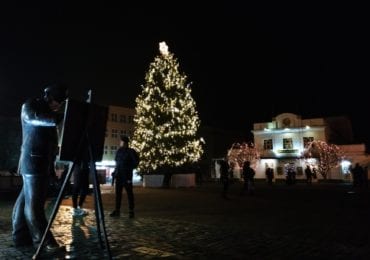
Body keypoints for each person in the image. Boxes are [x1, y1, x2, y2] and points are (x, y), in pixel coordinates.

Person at [12, 83, 68, 253]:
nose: (58, 105)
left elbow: (50, 144)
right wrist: (59, 116)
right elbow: (35, 118)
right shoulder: (31, 105)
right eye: (57, 101)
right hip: (33, 162)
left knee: (25, 201)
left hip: (40, 163)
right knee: (34, 205)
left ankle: (20, 237)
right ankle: (44, 242)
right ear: (49, 97)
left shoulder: (49, 111)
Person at [110, 135, 139, 218]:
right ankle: (117, 210)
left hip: (127, 177)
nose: (120, 143)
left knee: (130, 194)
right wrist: (115, 172)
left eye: (121, 141)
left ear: (125, 143)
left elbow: (136, 163)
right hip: (119, 176)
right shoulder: (119, 151)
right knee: (118, 194)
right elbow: (117, 163)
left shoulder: (131, 151)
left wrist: (128, 169)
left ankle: (131, 211)